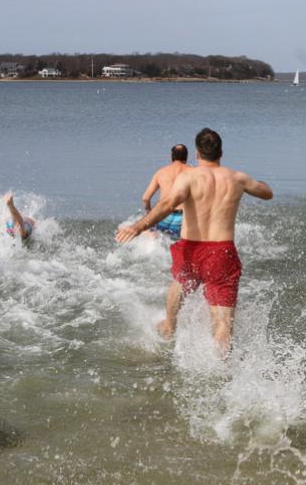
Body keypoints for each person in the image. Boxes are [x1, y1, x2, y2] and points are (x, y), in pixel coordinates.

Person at [117, 128, 273, 357]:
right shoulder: (238, 178)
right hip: (222, 252)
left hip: (191, 248)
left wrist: (138, 227)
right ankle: (221, 369)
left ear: (198, 154)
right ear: (221, 153)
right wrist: (255, 181)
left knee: (180, 282)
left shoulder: (189, 177)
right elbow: (267, 193)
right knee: (222, 326)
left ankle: (170, 326)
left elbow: (167, 204)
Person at [141, 144, 192, 240]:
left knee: (149, 233)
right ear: (186, 157)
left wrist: (149, 212)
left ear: (172, 156)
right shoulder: (193, 172)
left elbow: (145, 198)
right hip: (182, 218)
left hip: (162, 214)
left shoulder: (161, 172)